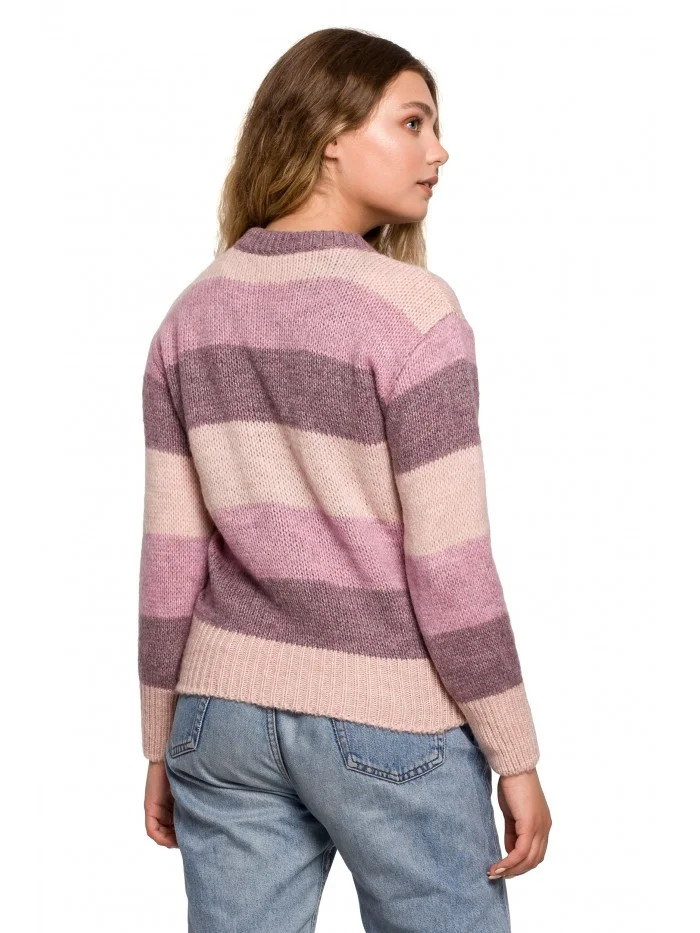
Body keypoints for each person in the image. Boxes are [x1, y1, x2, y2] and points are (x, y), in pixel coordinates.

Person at [138, 26, 552, 933]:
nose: (438, 151)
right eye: (412, 122)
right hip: (386, 717)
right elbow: (450, 566)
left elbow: (170, 559)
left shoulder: (191, 315)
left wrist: (161, 739)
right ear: (330, 134)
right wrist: (514, 751)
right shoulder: (413, 314)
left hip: (220, 718)